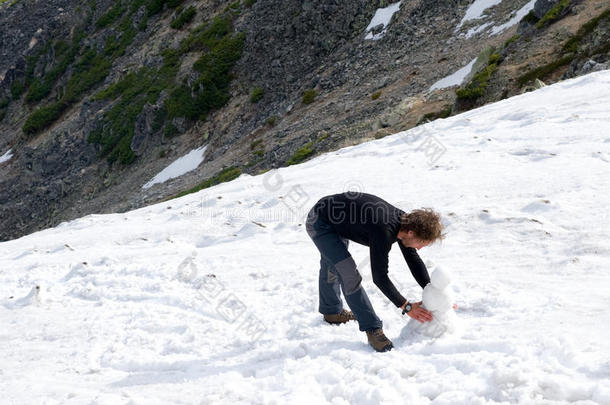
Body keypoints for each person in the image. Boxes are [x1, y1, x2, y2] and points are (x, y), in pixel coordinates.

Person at [305, 192, 445, 352]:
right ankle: (372, 329)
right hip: (320, 222)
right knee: (348, 272)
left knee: (333, 265)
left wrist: (434, 292)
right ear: (412, 233)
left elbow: (413, 259)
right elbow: (380, 277)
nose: (419, 248)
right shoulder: (384, 230)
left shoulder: (406, 223)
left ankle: (331, 312)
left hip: (334, 219)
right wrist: (406, 307)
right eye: (421, 243)